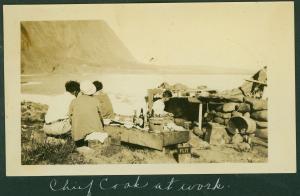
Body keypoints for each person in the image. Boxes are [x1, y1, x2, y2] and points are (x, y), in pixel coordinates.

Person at [69, 80, 104, 147]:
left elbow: (70, 119)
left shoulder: (73, 101)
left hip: (78, 137)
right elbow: (101, 117)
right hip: (95, 133)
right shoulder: (96, 100)